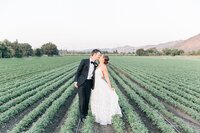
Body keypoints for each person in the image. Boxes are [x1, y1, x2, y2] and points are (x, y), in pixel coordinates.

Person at [90, 54, 122, 125]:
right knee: (97, 99)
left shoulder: (104, 66)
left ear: (103, 59)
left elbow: (107, 77)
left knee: (102, 100)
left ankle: (104, 117)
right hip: (96, 85)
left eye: (101, 56)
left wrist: (110, 87)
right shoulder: (98, 65)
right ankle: (97, 116)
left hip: (100, 85)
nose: (100, 56)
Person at [74, 49, 102, 122]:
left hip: (89, 83)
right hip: (82, 82)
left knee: (87, 99)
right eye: (99, 55)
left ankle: (85, 114)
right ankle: (81, 116)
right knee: (82, 99)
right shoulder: (84, 61)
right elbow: (78, 71)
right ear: (94, 54)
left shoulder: (96, 64)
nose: (99, 56)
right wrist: (75, 81)